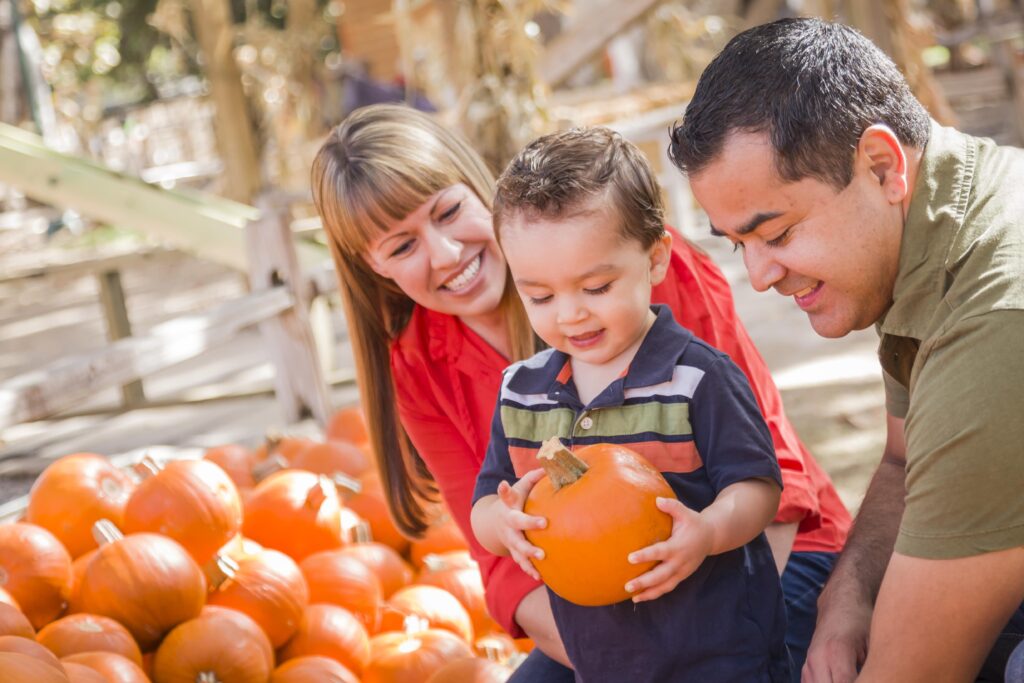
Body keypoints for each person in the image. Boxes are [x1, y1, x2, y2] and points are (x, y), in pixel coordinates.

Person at [311, 103, 850, 680]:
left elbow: (773, 482)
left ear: (480, 191)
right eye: (401, 247)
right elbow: (502, 564)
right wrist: (623, 661)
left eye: (448, 212)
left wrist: (702, 641)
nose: (445, 254)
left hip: (760, 567)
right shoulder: (420, 367)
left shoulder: (639, 274)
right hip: (605, 629)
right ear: (374, 270)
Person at [668, 17, 1024, 683]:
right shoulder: (934, 221)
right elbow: (901, 457)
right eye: (734, 243)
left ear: (883, 165)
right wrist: (846, 595)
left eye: (775, 232)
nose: (760, 275)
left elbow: (913, 672)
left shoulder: (997, 321)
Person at [470, 127, 790, 682]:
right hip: (603, 660)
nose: (569, 314)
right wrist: (505, 522)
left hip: (718, 653)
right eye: (540, 296)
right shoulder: (520, 393)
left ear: (656, 259)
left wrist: (708, 530)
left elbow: (757, 487)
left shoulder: (697, 378)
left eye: (596, 288)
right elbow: (483, 505)